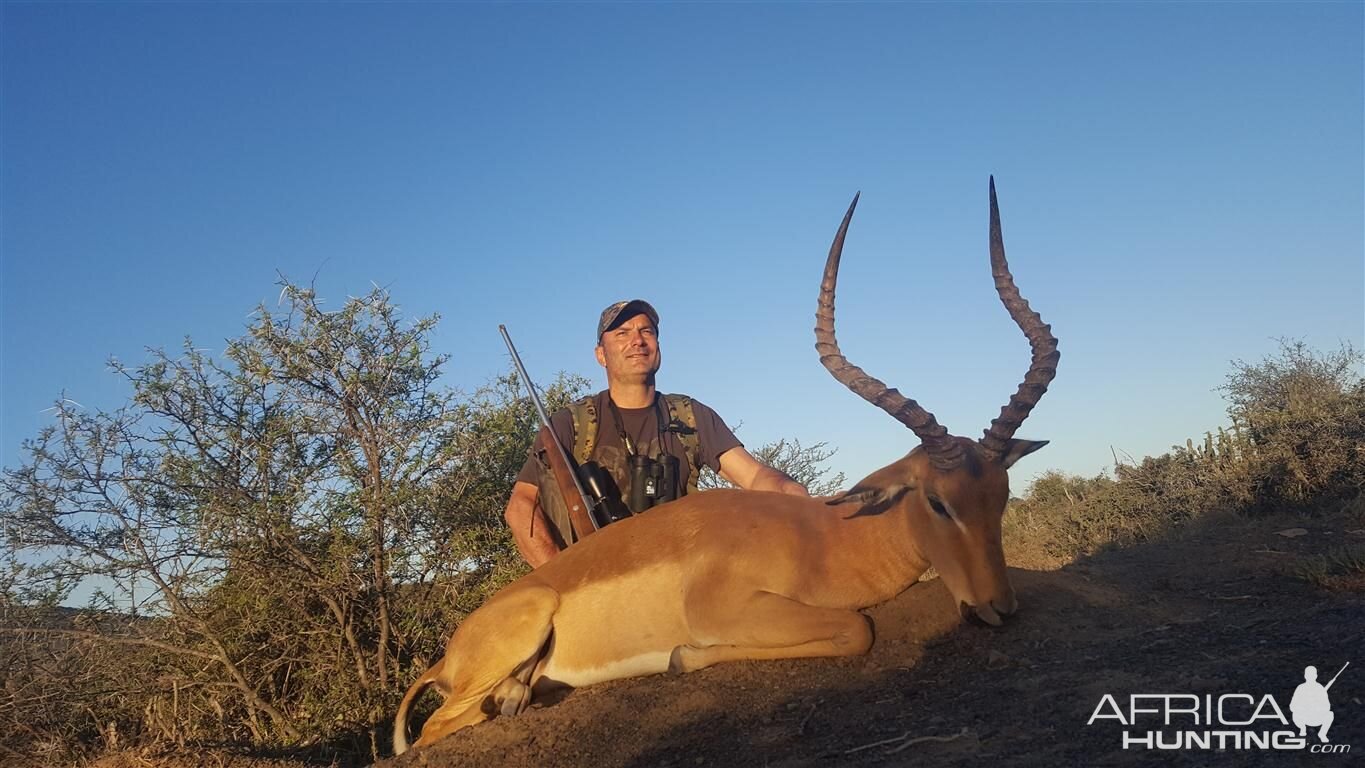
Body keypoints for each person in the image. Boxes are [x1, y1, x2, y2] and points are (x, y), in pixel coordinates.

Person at [504, 299, 808, 567]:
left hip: (677, 579)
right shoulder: (569, 423)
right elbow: (521, 507)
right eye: (622, 333)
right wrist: (563, 579)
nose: (637, 340)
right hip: (595, 582)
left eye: (646, 331)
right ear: (601, 354)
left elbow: (754, 476)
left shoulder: (690, 415)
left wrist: (794, 497)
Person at [1290, 665, 1335, 743]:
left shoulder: (1320, 688)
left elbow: (1327, 706)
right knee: (1294, 714)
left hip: (1317, 717)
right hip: (1303, 718)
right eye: (1308, 674)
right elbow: (1292, 706)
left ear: (1316, 676)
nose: (1310, 676)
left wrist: (1318, 708)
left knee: (1330, 714)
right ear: (1305, 676)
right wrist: (1303, 708)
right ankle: (1302, 728)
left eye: (1312, 674)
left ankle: (1322, 733)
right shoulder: (1300, 688)